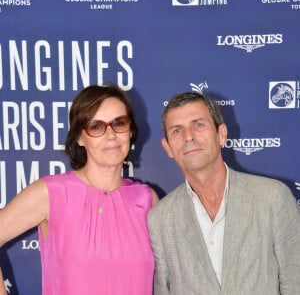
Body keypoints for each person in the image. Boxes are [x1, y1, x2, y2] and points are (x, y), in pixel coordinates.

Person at [0, 84, 158, 294]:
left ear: (130, 131)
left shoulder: (147, 199)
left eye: (119, 123)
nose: (111, 135)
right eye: (96, 127)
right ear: (79, 137)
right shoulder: (52, 193)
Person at [147, 91, 300, 294]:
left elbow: (295, 281)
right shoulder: (160, 218)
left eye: (198, 125)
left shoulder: (273, 198)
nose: (188, 136)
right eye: (176, 130)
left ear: (221, 134)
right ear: (167, 147)